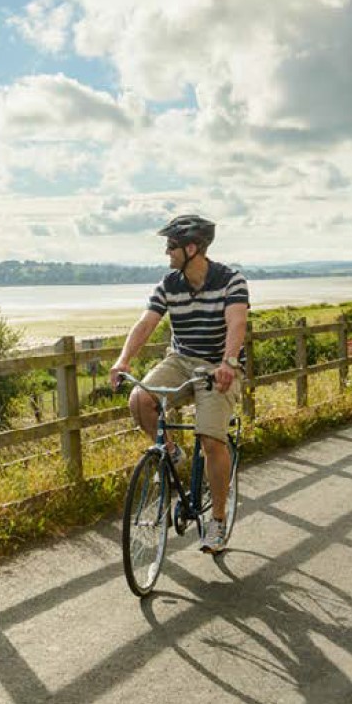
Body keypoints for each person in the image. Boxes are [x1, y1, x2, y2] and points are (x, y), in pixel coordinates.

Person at [109, 214, 249, 553]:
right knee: (139, 399)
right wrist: (123, 360)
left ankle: (216, 520)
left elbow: (237, 323)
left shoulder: (231, 280)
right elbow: (146, 324)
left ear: (192, 247)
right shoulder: (169, 283)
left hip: (218, 366)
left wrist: (228, 362)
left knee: (210, 437)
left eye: (171, 246)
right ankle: (171, 452)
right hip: (181, 360)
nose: (166, 252)